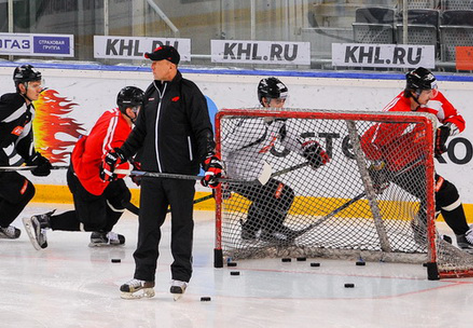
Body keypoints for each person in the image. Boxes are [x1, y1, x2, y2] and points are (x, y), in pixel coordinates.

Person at [103, 45, 221, 300]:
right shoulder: (151, 93)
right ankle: (144, 276)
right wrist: (120, 154)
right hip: (153, 175)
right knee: (147, 225)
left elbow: (203, 130)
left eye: (156, 62)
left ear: (171, 65)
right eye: (151, 62)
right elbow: (140, 133)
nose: (152, 66)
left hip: (180, 173)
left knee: (181, 225)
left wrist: (210, 160)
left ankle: (180, 275)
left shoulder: (188, 91)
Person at [360, 67, 473, 253]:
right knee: (441, 191)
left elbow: (456, 119)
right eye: (428, 91)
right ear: (415, 92)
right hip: (398, 167)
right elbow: (368, 141)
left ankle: (452, 235)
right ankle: (428, 233)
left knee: (444, 194)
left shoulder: (433, 99)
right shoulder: (398, 113)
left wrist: (446, 131)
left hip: (422, 161)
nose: (432, 94)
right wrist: (378, 167)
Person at [22, 86, 144, 250]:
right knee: (91, 222)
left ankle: (102, 234)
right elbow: (110, 157)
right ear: (129, 110)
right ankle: (43, 222)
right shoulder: (117, 127)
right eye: (139, 109)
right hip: (85, 175)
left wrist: (131, 165)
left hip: (94, 167)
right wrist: (130, 169)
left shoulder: (116, 115)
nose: (143, 113)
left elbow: (115, 149)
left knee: (121, 197)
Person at [221, 77, 330, 244]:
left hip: (254, 171)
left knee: (266, 196)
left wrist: (306, 150)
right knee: (283, 194)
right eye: (278, 101)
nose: (282, 105)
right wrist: (221, 177)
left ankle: (250, 229)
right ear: (265, 101)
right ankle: (271, 231)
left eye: (283, 101)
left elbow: (285, 137)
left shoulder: (276, 118)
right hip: (237, 176)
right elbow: (222, 148)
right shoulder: (253, 127)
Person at [0, 64, 52, 238]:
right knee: (25, 190)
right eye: (34, 85)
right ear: (21, 87)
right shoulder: (14, 102)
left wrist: (37, 161)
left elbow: (23, 143)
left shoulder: (28, 111)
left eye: (39, 84)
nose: (39, 89)